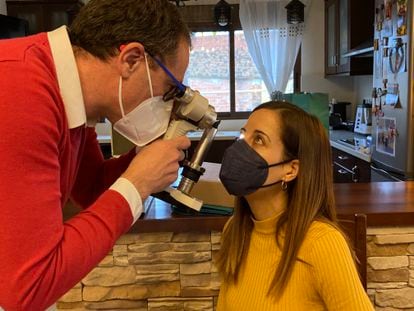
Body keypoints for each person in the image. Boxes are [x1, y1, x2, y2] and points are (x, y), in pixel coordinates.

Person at [0, 0, 191, 309]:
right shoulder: (21, 90)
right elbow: (28, 288)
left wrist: (148, 155)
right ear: (131, 59)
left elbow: (90, 189)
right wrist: (138, 183)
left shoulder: (71, 94)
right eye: (169, 88)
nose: (166, 102)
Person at [216, 101, 374, 310]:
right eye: (243, 135)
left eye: (259, 140)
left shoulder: (322, 243)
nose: (241, 148)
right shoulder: (235, 231)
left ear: (290, 170)